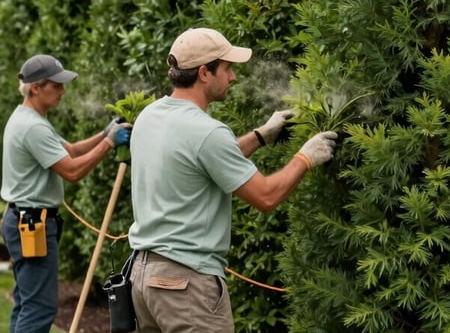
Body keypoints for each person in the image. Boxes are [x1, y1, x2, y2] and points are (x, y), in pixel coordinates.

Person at [128, 27, 338, 332]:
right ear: (203, 73)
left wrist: (260, 136)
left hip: (144, 280)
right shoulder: (207, 131)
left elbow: (199, 161)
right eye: (227, 69)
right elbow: (265, 196)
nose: (233, 77)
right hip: (186, 285)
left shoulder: (150, 116)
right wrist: (305, 158)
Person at [1, 54, 130, 333]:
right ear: (36, 87)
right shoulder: (32, 126)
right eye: (56, 85)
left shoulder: (29, 118)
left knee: (26, 303)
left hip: (24, 220)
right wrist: (109, 143)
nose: (63, 91)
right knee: (40, 308)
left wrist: (105, 132)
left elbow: (69, 150)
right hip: (32, 224)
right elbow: (71, 171)